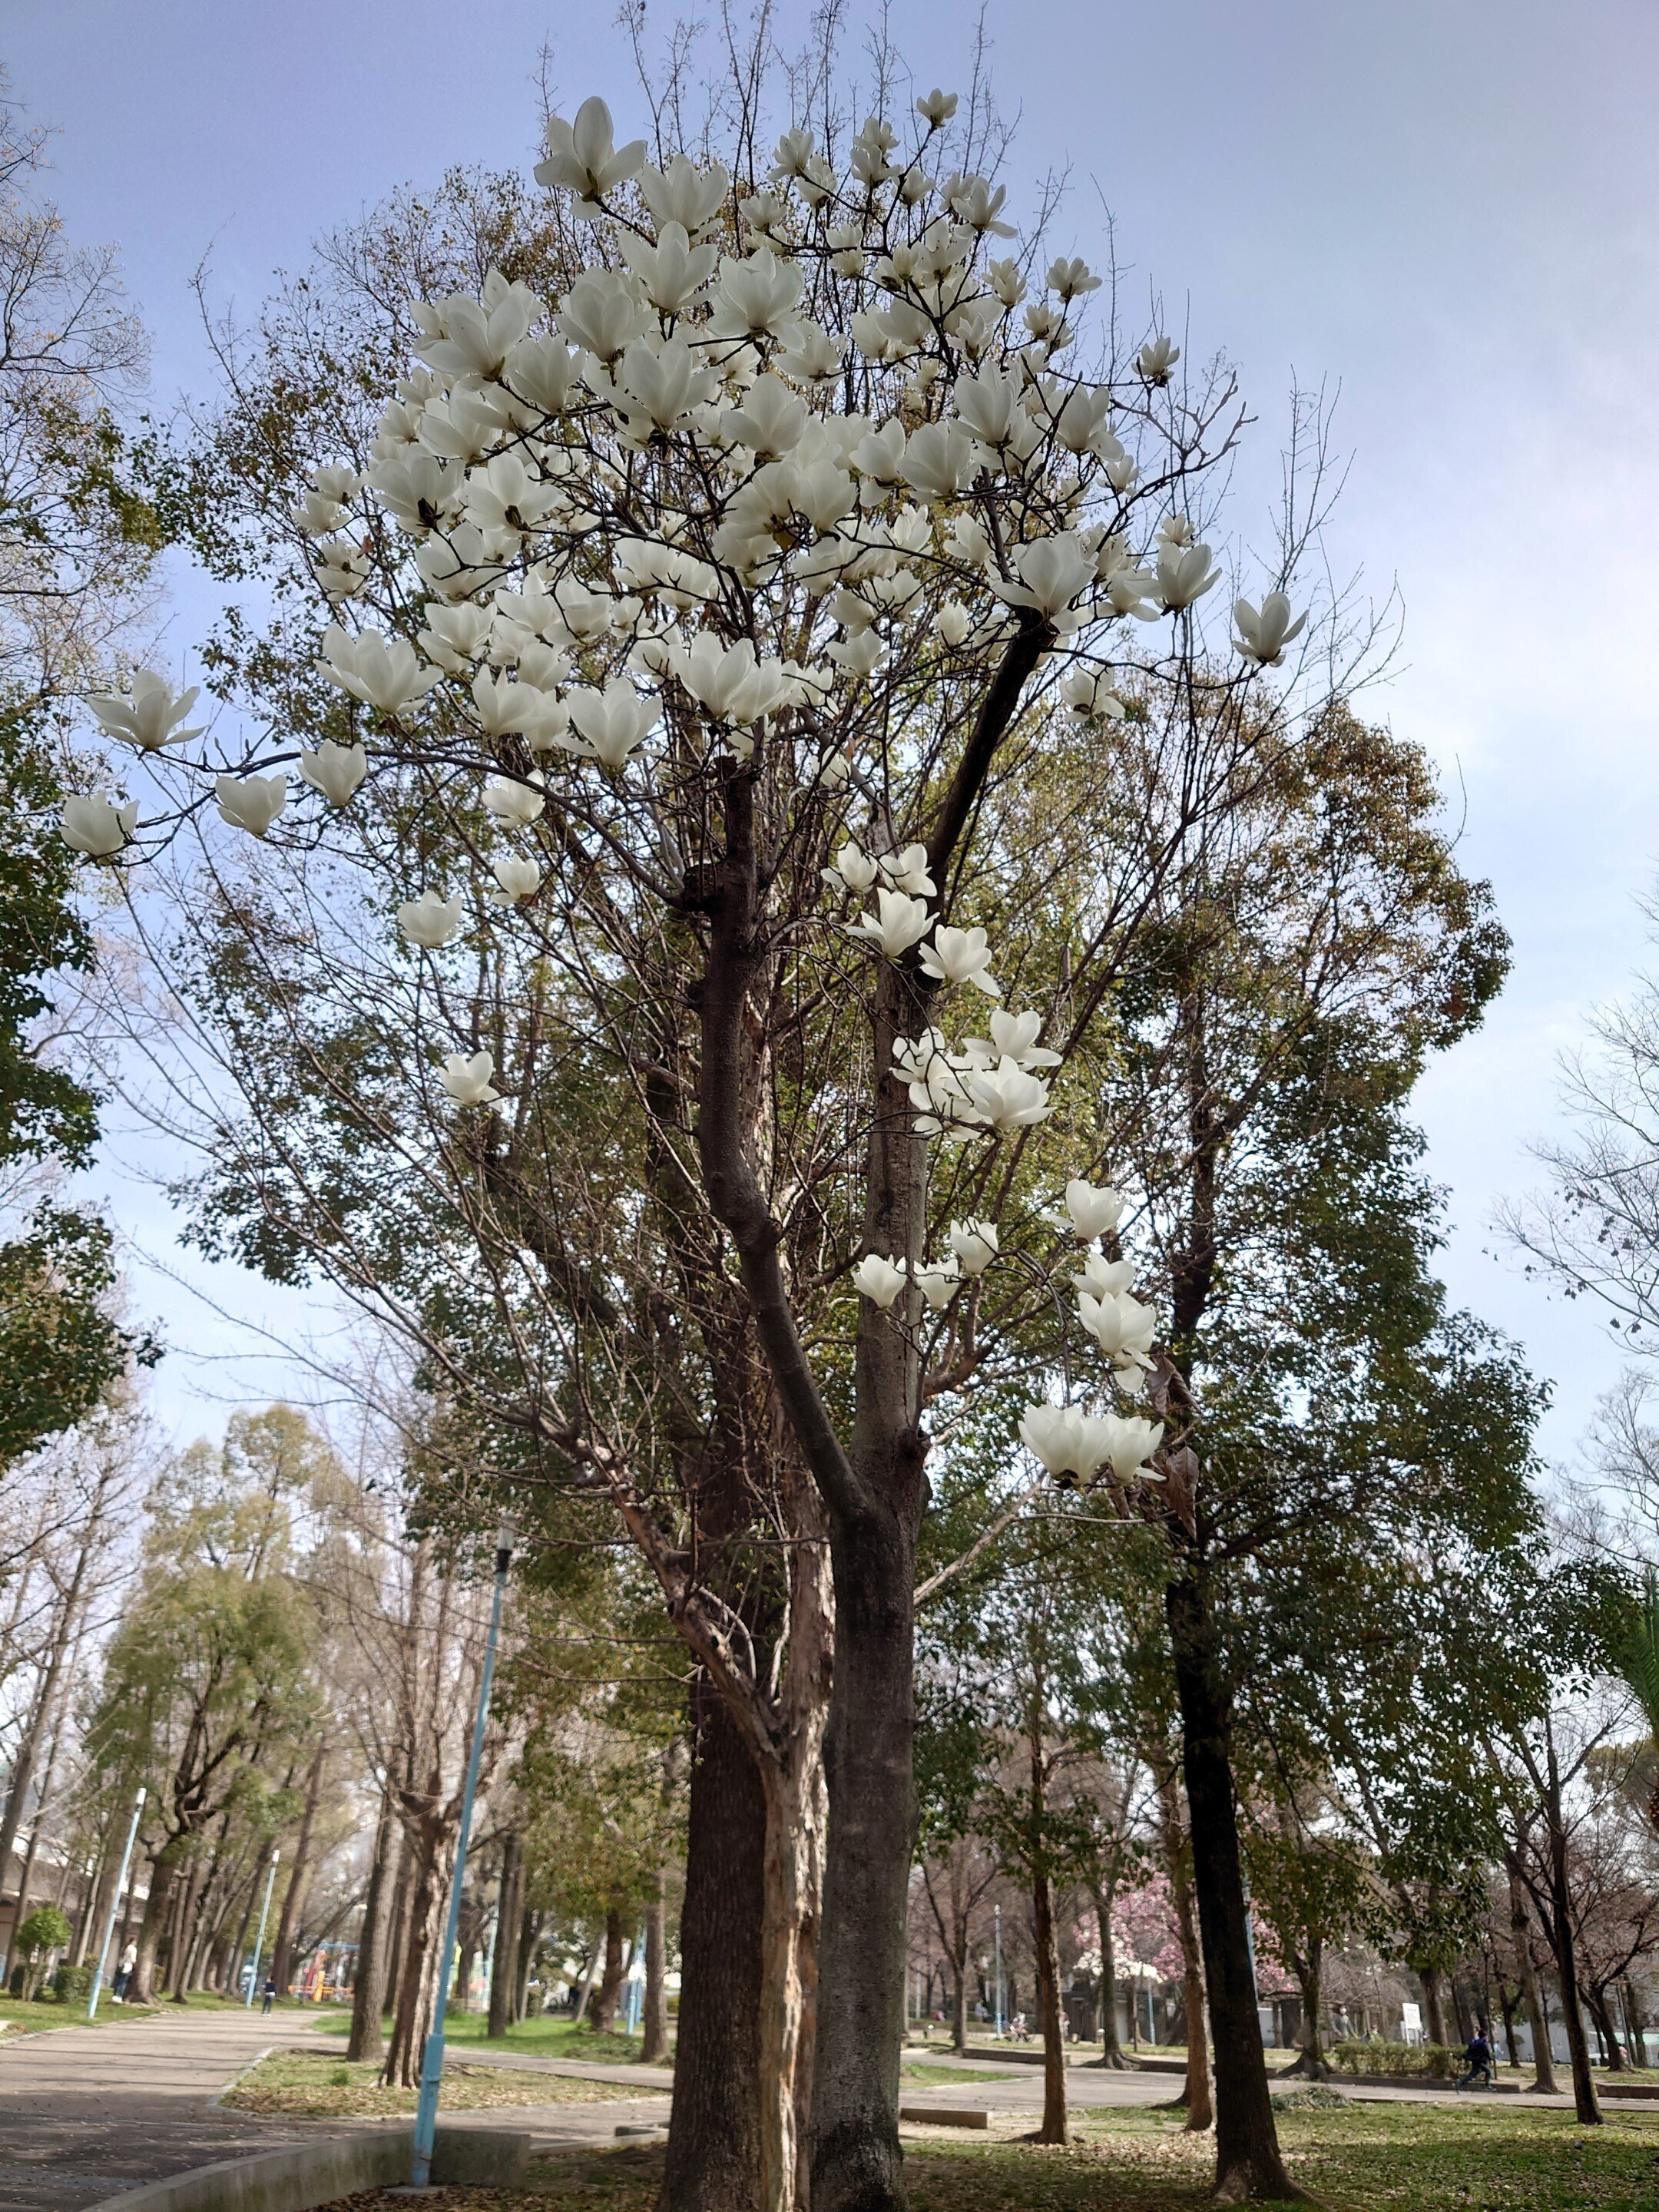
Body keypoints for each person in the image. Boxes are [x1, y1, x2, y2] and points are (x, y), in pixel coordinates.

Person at [1456, 2026, 1493, 2090]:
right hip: (1481, 2061)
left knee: (1473, 2074)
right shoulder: (1484, 2043)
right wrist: (1490, 2059)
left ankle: (1460, 2084)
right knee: (1489, 2072)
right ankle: (1488, 2086)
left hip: (1475, 2060)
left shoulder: (1475, 2042)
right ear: (1485, 2036)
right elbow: (1486, 2052)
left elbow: (1469, 2050)